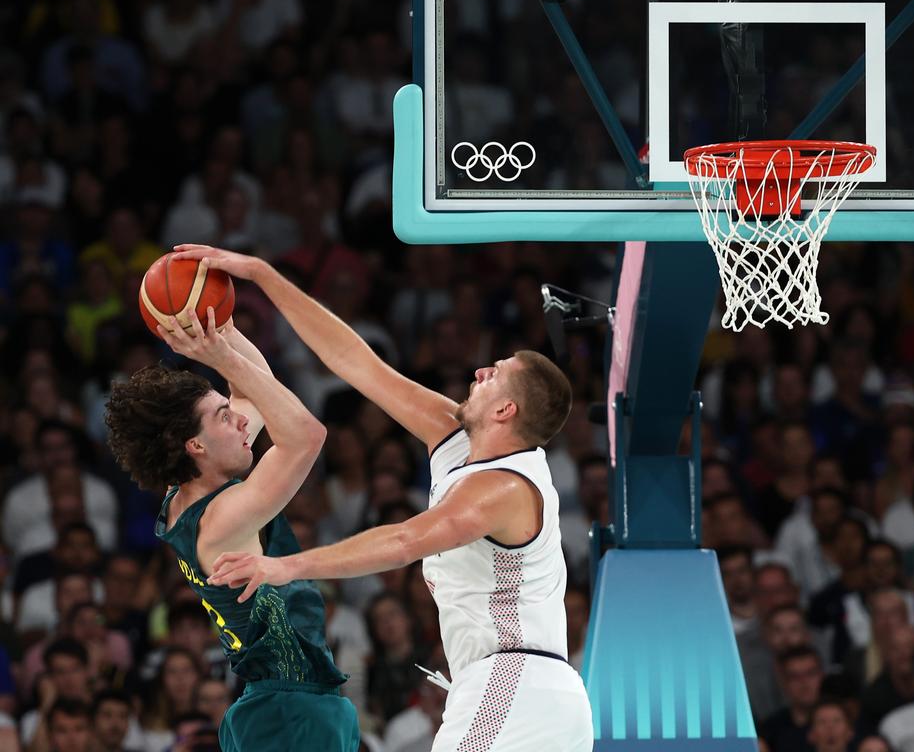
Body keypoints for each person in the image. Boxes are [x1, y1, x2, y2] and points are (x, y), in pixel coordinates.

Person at [174, 246, 593, 751]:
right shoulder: (454, 436)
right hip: (522, 689)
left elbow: (403, 540)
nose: (481, 371)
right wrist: (262, 275)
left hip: (516, 682)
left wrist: (285, 567)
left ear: (506, 409)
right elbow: (355, 360)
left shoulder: (502, 488)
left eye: (496, 373)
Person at [104, 297, 359, 752]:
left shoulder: (184, 499)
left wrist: (217, 326)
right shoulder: (221, 519)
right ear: (195, 445)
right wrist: (217, 353)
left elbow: (251, 391)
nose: (241, 419)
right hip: (289, 709)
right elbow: (306, 435)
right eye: (224, 417)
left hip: (274, 705)